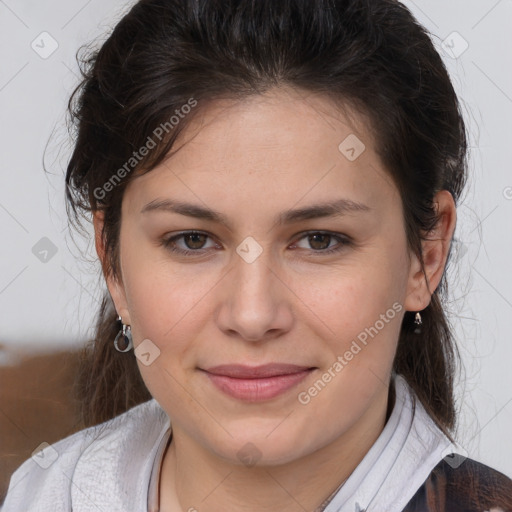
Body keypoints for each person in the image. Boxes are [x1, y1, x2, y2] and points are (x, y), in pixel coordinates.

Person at [2, 0, 512, 511]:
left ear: (426, 254)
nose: (252, 316)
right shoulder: (44, 495)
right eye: (192, 240)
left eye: (319, 240)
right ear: (112, 261)